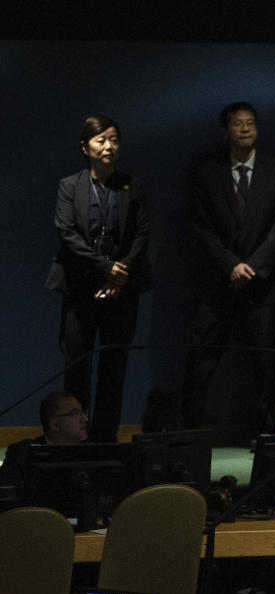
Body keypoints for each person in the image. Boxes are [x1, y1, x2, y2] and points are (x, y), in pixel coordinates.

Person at [183, 102, 275, 435]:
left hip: (264, 286)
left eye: (250, 123)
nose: (245, 129)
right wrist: (231, 265)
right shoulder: (206, 172)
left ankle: (266, 437)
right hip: (217, 284)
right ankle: (188, 437)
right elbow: (201, 227)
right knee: (200, 362)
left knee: (266, 366)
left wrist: (254, 267)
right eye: (237, 124)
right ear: (225, 131)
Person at [45, 116, 154, 442]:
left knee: (114, 368)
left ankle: (105, 439)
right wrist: (104, 267)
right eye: (101, 140)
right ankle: (75, 439)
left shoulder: (133, 185)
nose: (109, 146)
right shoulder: (69, 185)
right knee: (77, 367)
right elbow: (66, 232)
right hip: (80, 288)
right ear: (85, 147)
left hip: (123, 290)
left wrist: (120, 272)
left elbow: (142, 233)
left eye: (114, 140)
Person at [0, 392, 89, 489]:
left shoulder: (93, 453)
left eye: (83, 412)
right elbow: (8, 493)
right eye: (75, 413)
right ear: (55, 425)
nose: (85, 419)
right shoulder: (21, 454)